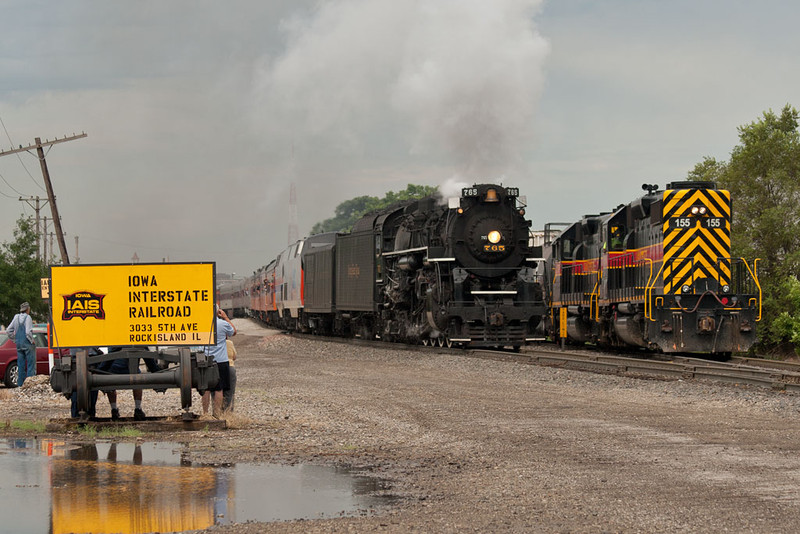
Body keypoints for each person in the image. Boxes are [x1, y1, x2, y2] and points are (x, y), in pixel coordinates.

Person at [101, 347, 160, 421]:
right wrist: (156, 372)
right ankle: (137, 408)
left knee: (109, 378)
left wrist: (100, 370)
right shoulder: (137, 341)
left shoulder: (114, 341)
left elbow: (109, 357)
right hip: (131, 370)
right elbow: (148, 358)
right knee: (137, 377)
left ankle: (114, 409)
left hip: (113, 370)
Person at [202, 306, 236, 418]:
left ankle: (205, 414)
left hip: (206, 359)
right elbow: (233, 332)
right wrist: (225, 317)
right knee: (219, 388)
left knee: (205, 388)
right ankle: (217, 414)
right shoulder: (222, 324)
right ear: (218, 312)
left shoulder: (201, 323)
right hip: (221, 360)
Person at [6, 302, 36, 386]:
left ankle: (20, 385)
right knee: (31, 365)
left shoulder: (16, 317)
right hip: (27, 344)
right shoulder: (28, 317)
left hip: (19, 344)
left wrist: (14, 339)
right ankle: (30, 385)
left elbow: (8, 330)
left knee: (20, 365)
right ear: (27, 309)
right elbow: (28, 332)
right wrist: (32, 340)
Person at [223, 338, 237, 411]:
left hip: (216, 367)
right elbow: (234, 356)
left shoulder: (213, 342)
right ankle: (228, 412)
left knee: (216, 392)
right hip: (230, 366)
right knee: (230, 392)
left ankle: (217, 412)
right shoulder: (229, 343)